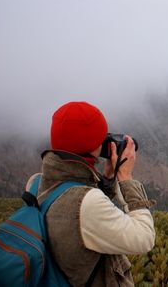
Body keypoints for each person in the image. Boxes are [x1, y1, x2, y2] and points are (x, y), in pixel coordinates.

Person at [25, 101, 156, 286]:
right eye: (101, 137)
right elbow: (144, 239)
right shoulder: (87, 204)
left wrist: (108, 177)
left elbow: (78, 217)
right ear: (93, 145)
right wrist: (126, 178)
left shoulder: (36, 183)